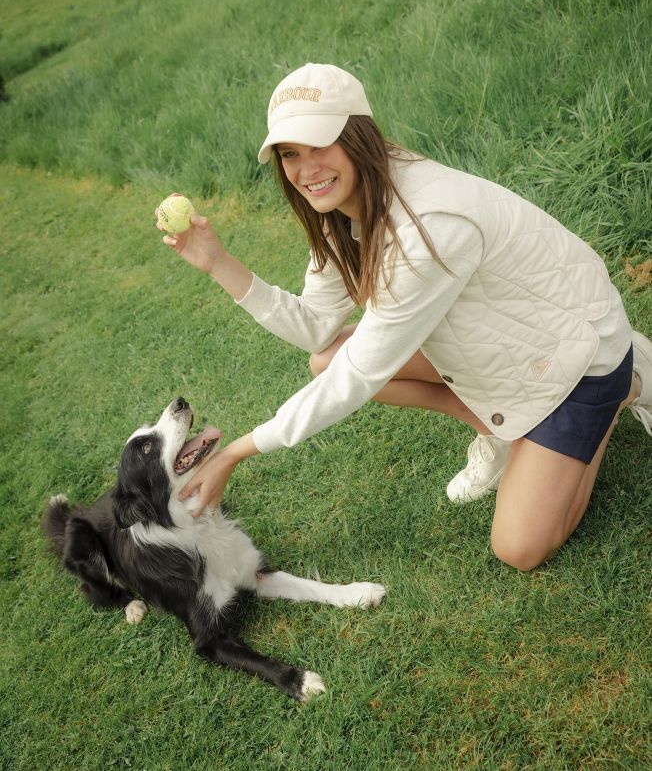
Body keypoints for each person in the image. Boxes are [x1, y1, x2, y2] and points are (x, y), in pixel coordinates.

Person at [158, 63, 652, 571]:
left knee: (519, 548)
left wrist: (236, 452)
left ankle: (625, 384)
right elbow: (315, 329)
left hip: (575, 353)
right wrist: (219, 263)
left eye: (319, 145)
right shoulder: (347, 207)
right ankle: (501, 428)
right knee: (325, 359)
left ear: (358, 134)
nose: (306, 169)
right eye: (290, 154)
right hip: (513, 339)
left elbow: (362, 373)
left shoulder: (428, 226)